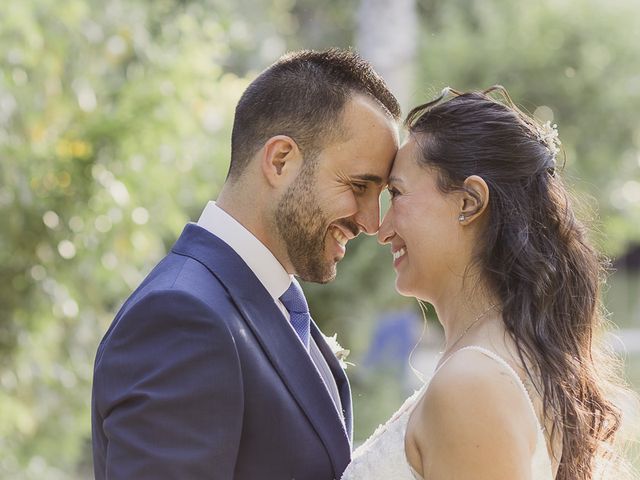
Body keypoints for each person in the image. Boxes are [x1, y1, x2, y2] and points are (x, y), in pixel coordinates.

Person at [91, 48, 400, 480]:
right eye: (358, 186)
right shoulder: (180, 318)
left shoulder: (272, 305)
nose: (372, 221)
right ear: (280, 161)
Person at [341, 86, 634, 480]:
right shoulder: (489, 364)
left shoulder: (471, 383)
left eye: (396, 194)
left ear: (469, 202)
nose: (381, 228)